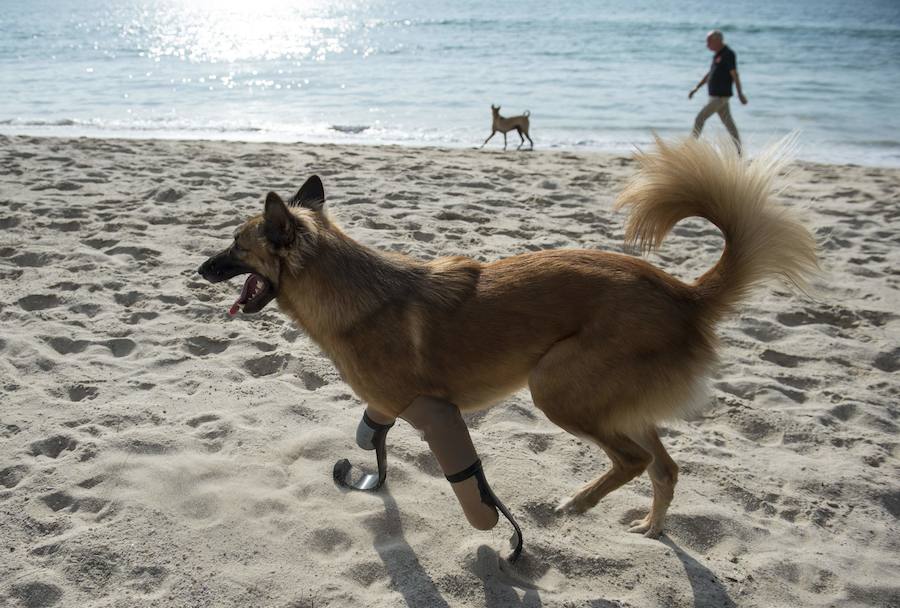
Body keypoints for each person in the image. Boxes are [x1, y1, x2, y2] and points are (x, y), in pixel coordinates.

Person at [689, 30, 747, 152]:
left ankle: (689, 148)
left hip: (720, 97)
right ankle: (739, 150)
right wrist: (697, 87)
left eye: (709, 41)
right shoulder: (717, 55)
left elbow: (734, 74)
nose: (707, 44)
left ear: (718, 40)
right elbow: (710, 74)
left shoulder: (728, 54)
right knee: (729, 124)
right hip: (716, 97)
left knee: (700, 118)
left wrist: (740, 94)